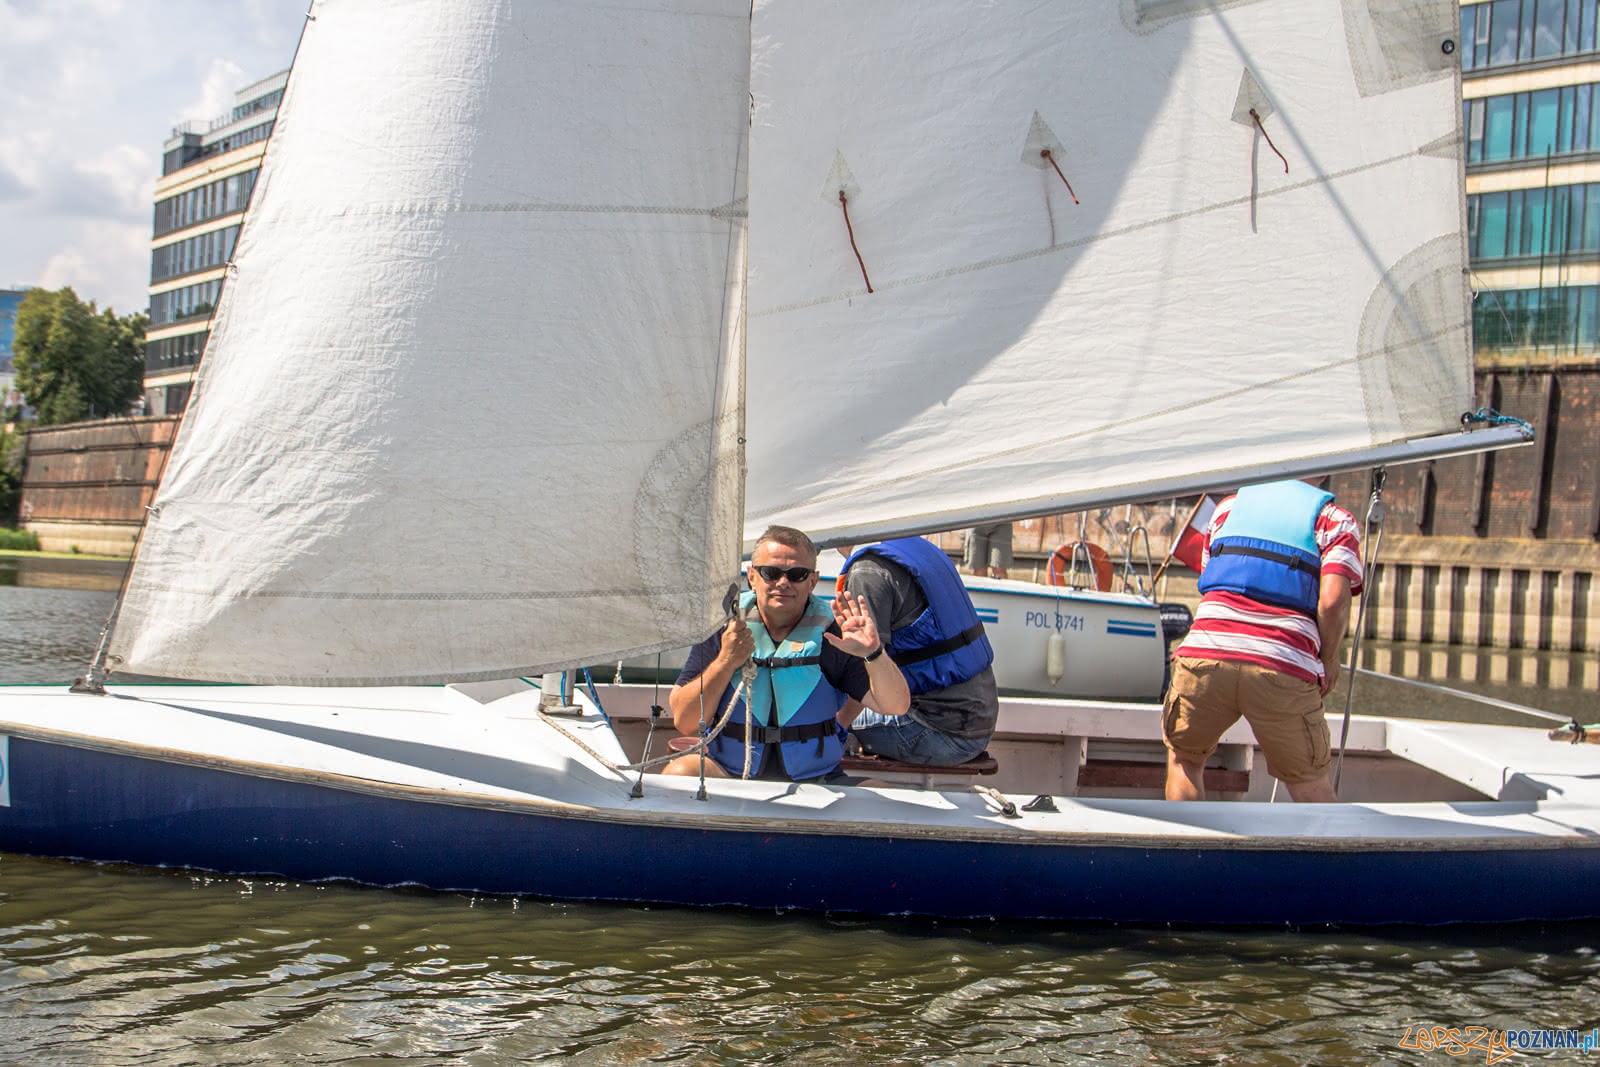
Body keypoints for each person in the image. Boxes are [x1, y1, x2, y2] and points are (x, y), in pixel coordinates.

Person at [1162, 479, 1363, 803]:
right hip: (1280, 665)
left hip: (1205, 655)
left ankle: (1189, 853)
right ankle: (1326, 853)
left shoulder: (1226, 510)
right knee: (1309, 781)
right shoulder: (1335, 521)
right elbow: (1332, 601)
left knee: (1184, 761)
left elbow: (1211, 580)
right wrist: (1327, 659)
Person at [663, 525, 909, 782]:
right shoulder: (725, 629)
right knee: (680, 773)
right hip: (729, 773)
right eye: (771, 573)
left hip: (819, 780)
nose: (783, 583)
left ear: (813, 581)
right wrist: (726, 661)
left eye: (797, 574)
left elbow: (896, 705)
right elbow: (685, 721)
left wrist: (873, 653)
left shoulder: (833, 635)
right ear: (752, 577)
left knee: (882, 791)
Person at [835, 538, 999, 767]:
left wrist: (833, 728)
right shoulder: (914, 549)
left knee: (815, 724)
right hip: (978, 724)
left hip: (940, 734)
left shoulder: (867, 572)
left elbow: (865, 671)